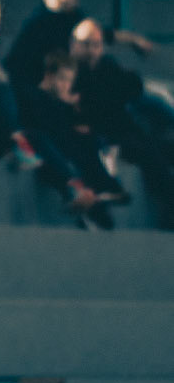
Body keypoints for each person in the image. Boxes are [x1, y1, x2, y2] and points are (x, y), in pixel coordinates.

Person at [70, 16, 174, 228]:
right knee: (147, 153)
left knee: (157, 145)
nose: (91, 50)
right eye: (86, 44)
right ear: (74, 44)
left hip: (124, 127)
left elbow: (132, 88)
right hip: (102, 135)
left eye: (96, 45)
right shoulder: (71, 72)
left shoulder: (107, 66)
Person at [6, 0, 151, 102]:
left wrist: (134, 40)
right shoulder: (36, 26)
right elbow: (16, 66)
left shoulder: (79, 20)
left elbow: (105, 33)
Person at [23, 50, 128, 227]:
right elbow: (46, 128)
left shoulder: (63, 104)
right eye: (62, 79)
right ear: (49, 76)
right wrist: (64, 106)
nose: (66, 86)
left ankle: (104, 191)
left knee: (86, 140)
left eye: (70, 81)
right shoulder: (33, 96)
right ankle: (84, 194)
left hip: (68, 154)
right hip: (47, 155)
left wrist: (73, 109)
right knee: (66, 146)